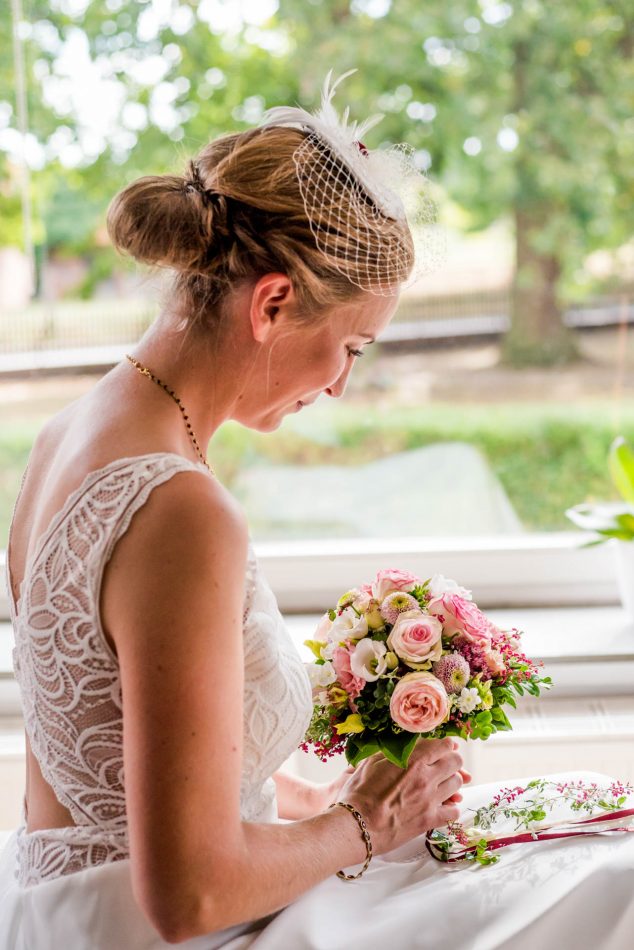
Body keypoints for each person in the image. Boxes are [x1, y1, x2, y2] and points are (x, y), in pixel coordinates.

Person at [1, 72, 633, 950]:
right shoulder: (181, 508)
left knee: (574, 838)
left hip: (61, 916)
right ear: (272, 302)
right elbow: (184, 895)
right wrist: (371, 820)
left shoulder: (69, 435)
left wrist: (317, 806)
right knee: (610, 885)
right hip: (165, 937)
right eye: (350, 348)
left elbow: (107, 775)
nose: (341, 384)